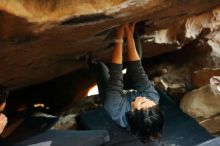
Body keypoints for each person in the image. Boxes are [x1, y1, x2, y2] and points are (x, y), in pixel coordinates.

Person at [88, 22, 164, 143]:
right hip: (131, 88)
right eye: (150, 102)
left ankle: (90, 61)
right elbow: (137, 70)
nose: (145, 98)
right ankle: (134, 30)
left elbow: (116, 75)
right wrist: (129, 34)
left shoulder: (115, 110)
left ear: (133, 112)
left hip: (113, 95)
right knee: (136, 55)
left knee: (102, 69)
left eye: (143, 101)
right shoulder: (153, 98)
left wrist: (119, 39)